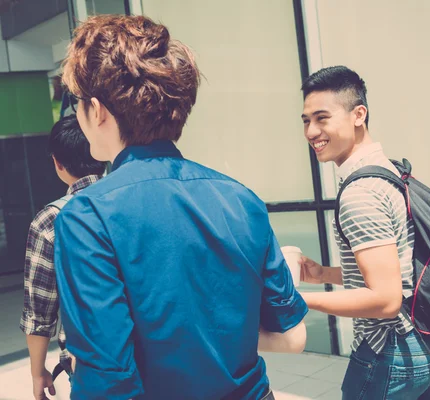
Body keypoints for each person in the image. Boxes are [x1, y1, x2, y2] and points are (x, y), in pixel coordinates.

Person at [55, 15, 308, 400]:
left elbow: (109, 381)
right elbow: (288, 331)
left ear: (97, 109)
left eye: (75, 104)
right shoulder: (242, 199)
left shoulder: (87, 216)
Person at [299, 66, 430, 399]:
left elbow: (385, 299)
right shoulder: (388, 170)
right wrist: (324, 274)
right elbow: (398, 270)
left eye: (322, 118)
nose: (311, 131)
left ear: (358, 114)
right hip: (427, 341)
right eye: (306, 120)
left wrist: (297, 300)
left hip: (390, 349)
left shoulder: (361, 192)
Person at [20, 114, 106, 400]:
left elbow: (39, 311)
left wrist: (37, 372)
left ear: (57, 162)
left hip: (91, 364)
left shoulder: (50, 220)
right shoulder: (131, 201)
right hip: (156, 351)